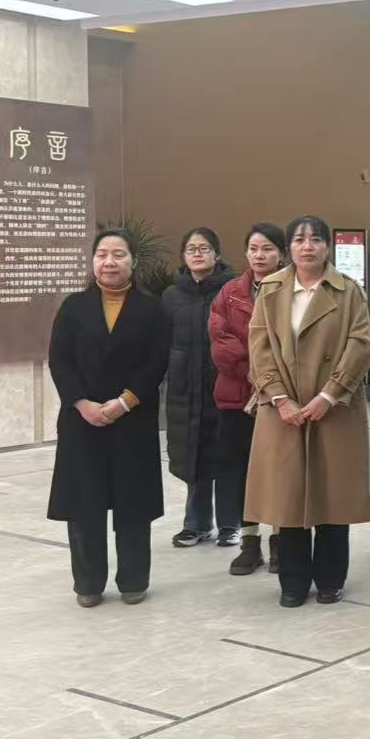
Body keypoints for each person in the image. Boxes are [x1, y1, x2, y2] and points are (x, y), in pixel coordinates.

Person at [244, 215, 370, 608]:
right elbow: (259, 346)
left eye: (315, 239)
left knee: (334, 496)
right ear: (289, 248)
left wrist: (329, 395)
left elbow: (361, 344)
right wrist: (280, 398)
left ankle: (331, 579)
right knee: (287, 497)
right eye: (299, 240)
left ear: (327, 247)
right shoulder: (271, 289)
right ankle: (293, 582)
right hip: (282, 410)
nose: (307, 246)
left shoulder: (349, 291)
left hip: (334, 409)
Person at [47, 228, 170, 607]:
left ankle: (133, 580)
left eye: (118, 254)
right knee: (84, 505)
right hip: (81, 421)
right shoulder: (73, 307)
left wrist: (124, 402)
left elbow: (157, 362)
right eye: (102, 254)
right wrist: (81, 403)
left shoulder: (152, 308)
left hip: (132, 419)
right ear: (93, 261)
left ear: (133, 261)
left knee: (133, 505)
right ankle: (88, 583)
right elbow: (60, 360)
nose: (109, 262)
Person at [211, 223, 287, 576]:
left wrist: (270, 378)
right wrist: (254, 372)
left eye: (267, 249)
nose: (259, 255)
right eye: (254, 248)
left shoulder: (292, 290)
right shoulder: (230, 293)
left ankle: (281, 540)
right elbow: (221, 343)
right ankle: (249, 543)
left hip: (281, 398)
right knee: (241, 471)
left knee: (280, 471)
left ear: (281, 254)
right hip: (237, 399)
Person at [164, 228, 236, 548]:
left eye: (204, 248)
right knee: (194, 457)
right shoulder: (171, 295)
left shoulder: (232, 290)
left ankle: (231, 524)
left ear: (217, 254)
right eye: (191, 249)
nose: (197, 254)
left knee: (227, 456)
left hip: (224, 387)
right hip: (185, 389)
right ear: (183, 255)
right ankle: (196, 524)